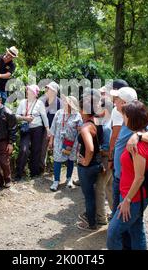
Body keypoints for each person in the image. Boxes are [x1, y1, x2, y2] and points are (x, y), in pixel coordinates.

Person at [110, 86, 148, 249]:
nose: (114, 102)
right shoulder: (120, 115)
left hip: (132, 188)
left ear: (125, 103)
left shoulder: (137, 123)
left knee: (117, 228)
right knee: (134, 227)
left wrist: (138, 135)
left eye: (117, 100)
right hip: (120, 179)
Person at [76, 89, 103, 231]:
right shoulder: (97, 121)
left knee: (89, 196)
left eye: (81, 109)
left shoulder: (86, 127)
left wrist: (85, 161)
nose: (80, 112)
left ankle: (91, 223)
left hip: (88, 166)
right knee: (93, 194)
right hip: (97, 164)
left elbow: (90, 148)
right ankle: (93, 219)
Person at [15, 84, 50, 180]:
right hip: (25, 128)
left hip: (37, 128)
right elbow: (16, 116)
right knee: (24, 149)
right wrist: (24, 118)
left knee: (36, 150)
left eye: (30, 91)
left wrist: (47, 130)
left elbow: (44, 117)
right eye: (27, 91)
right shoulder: (23, 102)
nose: (27, 92)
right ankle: (19, 173)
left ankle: (34, 172)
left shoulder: (39, 103)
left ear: (35, 94)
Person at [48, 96, 82, 191]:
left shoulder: (77, 115)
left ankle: (69, 178)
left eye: (66, 102)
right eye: (64, 102)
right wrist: (51, 141)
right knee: (57, 160)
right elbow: (53, 128)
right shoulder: (59, 113)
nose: (64, 103)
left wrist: (78, 145)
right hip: (59, 140)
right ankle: (56, 181)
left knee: (70, 159)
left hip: (72, 142)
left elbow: (80, 130)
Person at [94, 97, 114, 225]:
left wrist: (99, 151)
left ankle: (101, 218)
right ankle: (115, 212)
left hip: (106, 160)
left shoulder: (106, 128)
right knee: (109, 187)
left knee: (99, 188)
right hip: (111, 161)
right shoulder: (111, 123)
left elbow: (108, 150)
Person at [40, 81, 62, 172]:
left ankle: (52, 166)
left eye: (49, 89)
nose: (47, 90)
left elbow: (60, 117)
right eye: (47, 89)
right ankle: (42, 167)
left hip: (56, 128)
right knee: (43, 148)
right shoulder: (43, 100)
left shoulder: (59, 102)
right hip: (44, 127)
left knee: (55, 147)